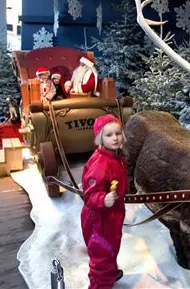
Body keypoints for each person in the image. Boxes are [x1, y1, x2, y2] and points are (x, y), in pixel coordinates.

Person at [81, 114, 127, 289]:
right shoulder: (101, 163)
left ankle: (110, 272)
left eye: (118, 133)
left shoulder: (115, 156)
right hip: (99, 220)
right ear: (100, 138)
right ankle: (100, 284)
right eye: (109, 135)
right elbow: (90, 196)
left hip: (112, 215)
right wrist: (103, 199)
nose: (115, 138)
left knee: (111, 249)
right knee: (102, 257)